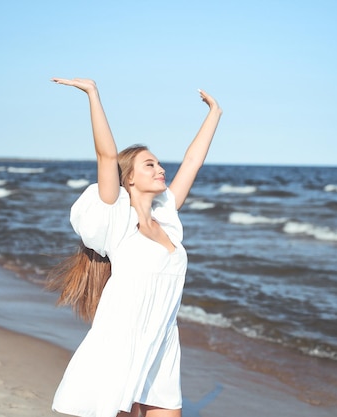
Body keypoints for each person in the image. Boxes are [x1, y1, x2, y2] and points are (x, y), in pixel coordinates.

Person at [48, 77, 222, 417]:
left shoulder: (166, 217)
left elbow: (192, 163)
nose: (161, 169)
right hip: (122, 340)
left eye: (158, 164)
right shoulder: (117, 219)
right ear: (128, 178)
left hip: (163, 338)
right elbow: (107, 154)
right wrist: (93, 94)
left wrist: (215, 112)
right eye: (150, 165)